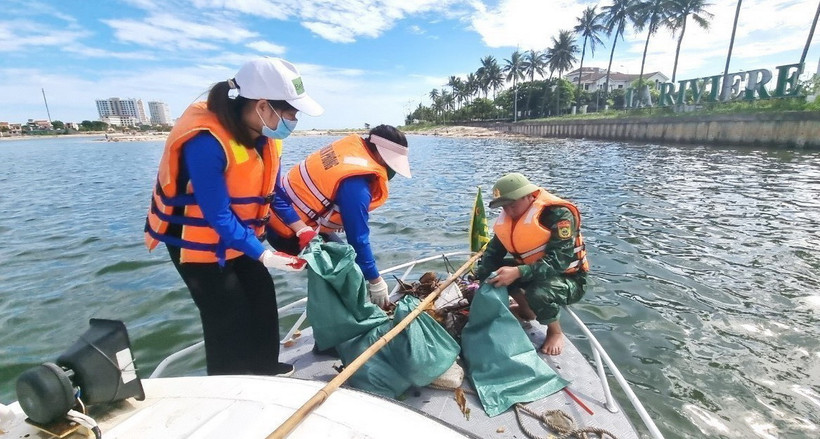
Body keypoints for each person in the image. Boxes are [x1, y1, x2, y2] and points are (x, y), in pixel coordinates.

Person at [144, 57, 323, 376]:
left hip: (241, 238)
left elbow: (273, 192)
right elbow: (217, 215)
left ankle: (265, 368)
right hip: (196, 244)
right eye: (291, 111)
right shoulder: (206, 143)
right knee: (227, 318)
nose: (295, 120)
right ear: (263, 106)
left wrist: (301, 228)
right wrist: (265, 254)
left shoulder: (266, 138)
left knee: (262, 299)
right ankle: (227, 387)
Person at [267, 125, 410, 310]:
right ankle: (334, 332)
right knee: (349, 276)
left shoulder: (350, 153)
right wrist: (375, 280)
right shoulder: (357, 185)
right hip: (290, 233)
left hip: (284, 217)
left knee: (349, 262)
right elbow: (358, 239)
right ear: (382, 155)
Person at [474, 173, 589, 355]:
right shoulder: (510, 218)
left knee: (539, 292)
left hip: (568, 277)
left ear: (529, 195)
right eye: (504, 207)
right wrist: (482, 274)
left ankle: (555, 331)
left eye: (512, 205)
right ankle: (527, 310)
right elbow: (493, 253)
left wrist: (518, 272)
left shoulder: (558, 215)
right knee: (494, 273)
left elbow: (560, 260)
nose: (509, 211)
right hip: (533, 269)